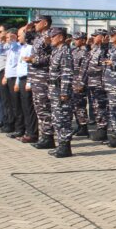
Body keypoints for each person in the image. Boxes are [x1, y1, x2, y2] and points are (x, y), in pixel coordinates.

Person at [25, 15, 55, 149]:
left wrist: (34, 60)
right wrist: (28, 29)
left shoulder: (51, 36)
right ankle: (45, 136)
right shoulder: (38, 36)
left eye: (37, 22)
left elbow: (53, 57)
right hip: (36, 77)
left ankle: (48, 137)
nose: (35, 24)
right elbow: (28, 40)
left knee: (44, 108)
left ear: (45, 23)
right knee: (39, 108)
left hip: (44, 78)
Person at [76, 29, 109, 142]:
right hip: (91, 83)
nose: (93, 38)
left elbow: (105, 64)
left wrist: (105, 45)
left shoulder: (106, 49)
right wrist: (81, 82)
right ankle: (100, 129)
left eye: (96, 36)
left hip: (100, 82)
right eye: (93, 36)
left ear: (103, 37)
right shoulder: (94, 49)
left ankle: (102, 130)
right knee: (95, 107)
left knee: (101, 107)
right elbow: (85, 67)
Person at [47, 27, 74, 158]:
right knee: (57, 119)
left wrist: (64, 92)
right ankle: (61, 145)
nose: (51, 39)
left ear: (61, 37)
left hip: (61, 91)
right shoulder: (56, 51)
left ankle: (65, 147)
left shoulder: (65, 52)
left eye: (53, 36)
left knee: (63, 119)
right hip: (54, 90)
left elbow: (66, 73)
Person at [16, 28, 38, 143]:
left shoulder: (30, 48)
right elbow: (20, 66)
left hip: (27, 80)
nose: (18, 37)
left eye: (20, 35)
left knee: (29, 109)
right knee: (25, 108)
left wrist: (29, 82)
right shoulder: (23, 48)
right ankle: (27, 131)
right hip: (22, 79)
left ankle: (32, 133)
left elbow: (31, 67)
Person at [3, 29, 24, 138]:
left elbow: (15, 47)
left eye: (9, 37)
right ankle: (16, 126)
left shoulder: (18, 47)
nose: (8, 40)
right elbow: (0, 48)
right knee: (11, 104)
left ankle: (19, 128)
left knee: (17, 105)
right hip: (10, 77)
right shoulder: (10, 48)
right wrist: (5, 76)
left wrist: (14, 40)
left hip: (16, 78)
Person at [70, 31, 90, 137]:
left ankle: (83, 127)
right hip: (73, 80)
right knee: (75, 105)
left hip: (80, 81)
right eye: (74, 39)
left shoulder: (86, 52)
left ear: (83, 40)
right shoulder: (74, 50)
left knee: (80, 105)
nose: (74, 41)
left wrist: (81, 83)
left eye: (77, 39)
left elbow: (85, 69)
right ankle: (79, 125)